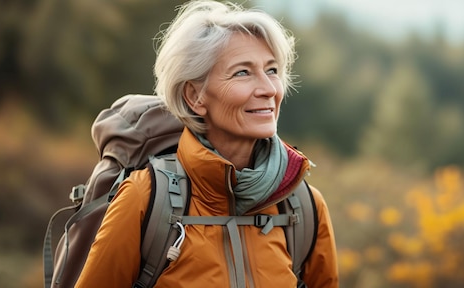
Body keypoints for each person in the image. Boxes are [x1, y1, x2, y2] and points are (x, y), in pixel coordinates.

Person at [74, 1, 339, 287]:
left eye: (272, 70)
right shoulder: (144, 198)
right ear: (195, 96)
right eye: (243, 72)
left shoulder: (304, 206)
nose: (268, 89)